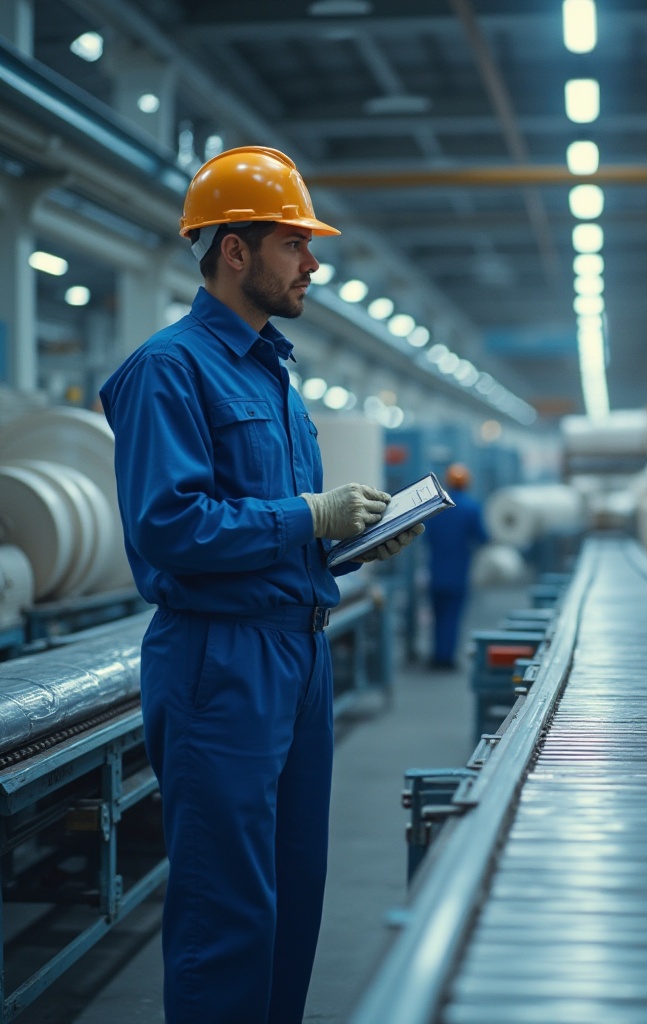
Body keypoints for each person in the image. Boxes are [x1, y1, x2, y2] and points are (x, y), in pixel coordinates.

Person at [99, 146, 422, 1024]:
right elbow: (170, 528)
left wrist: (347, 548)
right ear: (233, 251)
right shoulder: (168, 370)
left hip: (297, 651)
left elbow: (269, 531)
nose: (313, 263)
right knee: (227, 909)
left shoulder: (273, 376)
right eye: (294, 244)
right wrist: (312, 517)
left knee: (292, 891)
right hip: (221, 664)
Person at [424, 463, 489, 669]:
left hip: (436, 572)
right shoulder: (472, 508)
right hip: (458, 573)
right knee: (452, 616)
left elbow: (427, 537)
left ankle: (437, 655)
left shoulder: (436, 508)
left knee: (438, 615)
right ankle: (447, 657)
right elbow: (483, 538)